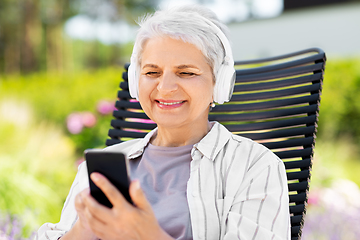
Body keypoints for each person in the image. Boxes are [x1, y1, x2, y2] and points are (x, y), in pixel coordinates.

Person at [35, 5, 290, 240]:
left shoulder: (255, 167)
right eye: (152, 72)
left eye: (186, 72)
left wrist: (148, 235)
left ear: (220, 84)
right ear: (136, 82)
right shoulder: (103, 165)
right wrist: (85, 229)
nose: (165, 87)